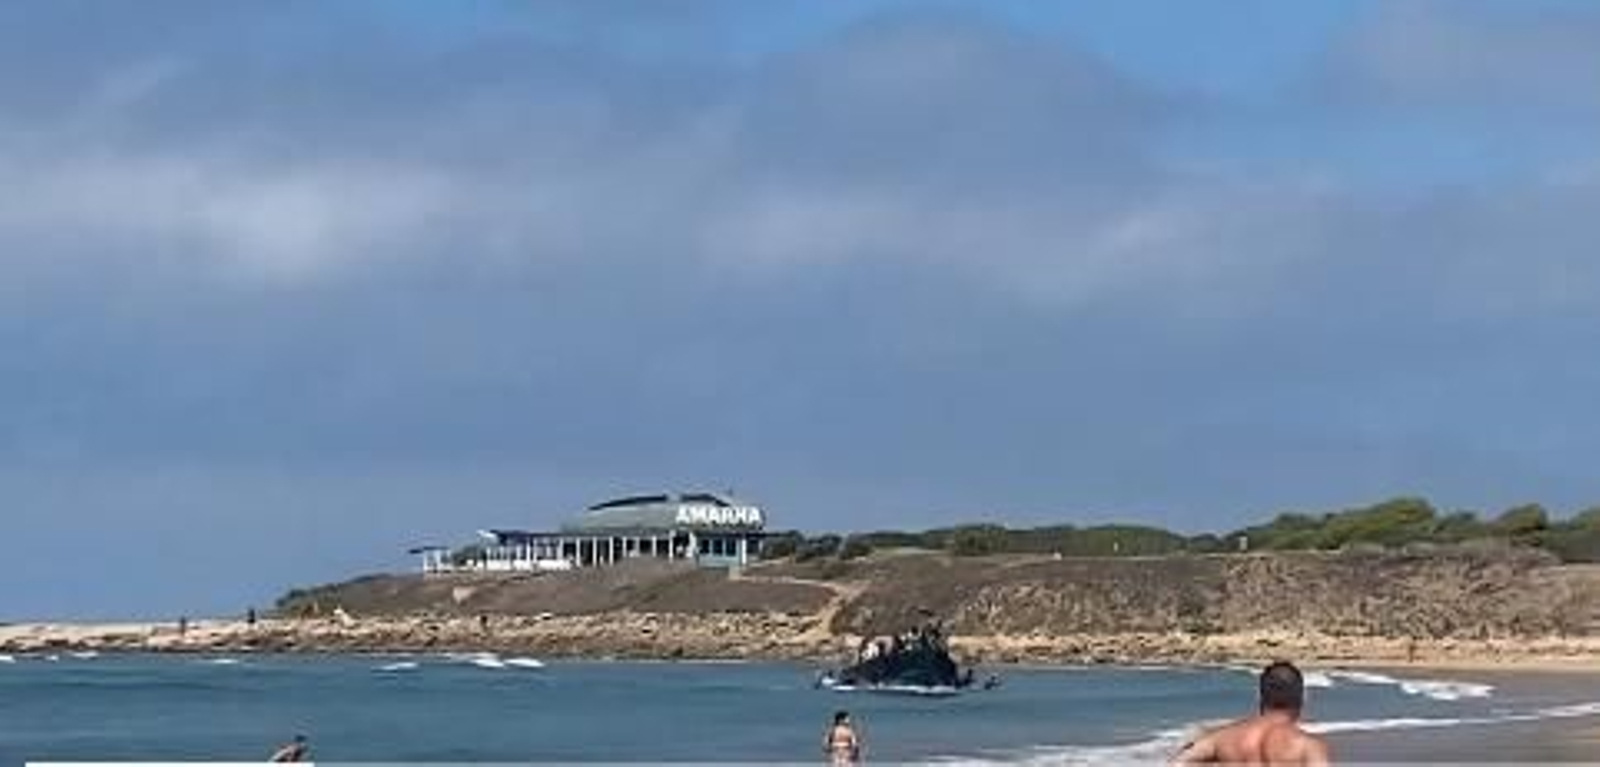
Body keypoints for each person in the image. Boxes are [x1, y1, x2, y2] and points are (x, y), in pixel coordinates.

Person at [1171, 661, 1330, 766]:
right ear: (1303, 698)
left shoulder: (1221, 738)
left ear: (1259, 696)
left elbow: (1178, 762)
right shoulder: (1308, 747)